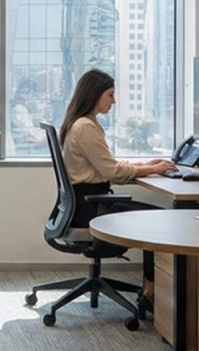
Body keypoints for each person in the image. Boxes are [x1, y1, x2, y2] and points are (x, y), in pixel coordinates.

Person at [58, 69, 173, 257]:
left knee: (156, 218)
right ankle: (151, 285)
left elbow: (106, 164)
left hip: (85, 205)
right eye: (110, 95)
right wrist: (153, 169)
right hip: (92, 209)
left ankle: (151, 283)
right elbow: (113, 172)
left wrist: (146, 165)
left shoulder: (80, 124)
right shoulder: (85, 127)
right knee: (160, 220)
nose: (114, 101)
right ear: (94, 94)